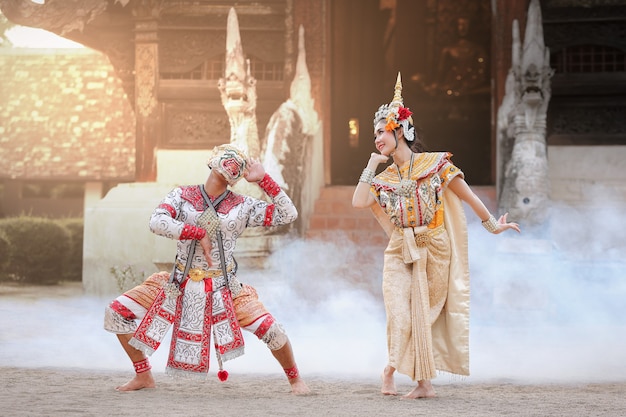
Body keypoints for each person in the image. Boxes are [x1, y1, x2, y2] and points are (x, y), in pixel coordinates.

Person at [352, 73, 520, 399]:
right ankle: (390, 368)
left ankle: (423, 383)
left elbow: (469, 197)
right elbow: (359, 201)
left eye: (381, 132)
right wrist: (371, 165)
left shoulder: (436, 164)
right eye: (374, 134)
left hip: (433, 245)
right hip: (400, 247)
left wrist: (493, 226)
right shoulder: (384, 176)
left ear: (399, 131)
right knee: (398, 313)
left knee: (422, 315)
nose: (376, 138)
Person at [103, 144, 310, 395]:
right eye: (228, 155)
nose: (233, 162)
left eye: (240, 163)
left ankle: (295, 379)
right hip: (177, 283)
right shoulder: (181, 195)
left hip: (223, 287)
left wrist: (264, 180)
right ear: (212, 159)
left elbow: (287, 214)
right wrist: (196, 232)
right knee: (115, 313)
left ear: (238, 177)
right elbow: (156, 221)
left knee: (272, 330)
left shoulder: (242, 206)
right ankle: (143, 374)